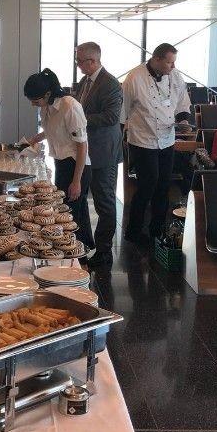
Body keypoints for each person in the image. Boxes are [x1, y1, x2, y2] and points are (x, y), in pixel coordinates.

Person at [121, 43, 192, 246]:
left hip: (167, 139)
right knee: (147, 185)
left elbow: (182, 102)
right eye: (169, 62)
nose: (173, 66)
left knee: (163, 185)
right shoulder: (135, 77)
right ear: (157, 59)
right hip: (143, 140)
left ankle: (157, 229)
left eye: (174, 62)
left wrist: (183, 120)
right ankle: (133, 231)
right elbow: (123, 111)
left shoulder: (175, 76)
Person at [24, 68, 93, 256]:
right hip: (61, 163)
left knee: (70, 215)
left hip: (76, 165)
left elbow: (82, 145)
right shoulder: (47, 107)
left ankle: (77, 257)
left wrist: (76, 181)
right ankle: (81, 253)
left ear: (47, 94)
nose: (33, 104)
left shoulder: (70, 106)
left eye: (35, 100)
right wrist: (34, 139)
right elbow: (52, 129)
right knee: (69, 211)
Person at [74, 42, 123, 269]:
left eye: (80, 61)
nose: (77, 65)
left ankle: (104, 253)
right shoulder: (84, 82)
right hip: (86, 150)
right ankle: (85, 244)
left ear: (92, 61)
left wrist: (79, 120)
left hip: (104, 151)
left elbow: (111, 117)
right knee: (83, 197)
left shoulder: (110, 84)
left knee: (104, 202)